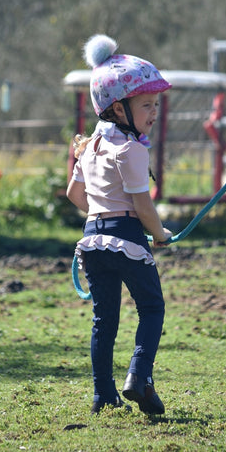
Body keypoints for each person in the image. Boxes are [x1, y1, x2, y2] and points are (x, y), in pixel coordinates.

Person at [66, 34, 172, 415]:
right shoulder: (132, 149)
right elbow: (143, 205)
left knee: (103, 320)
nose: (154, 112)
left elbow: (74, 196)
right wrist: (158, 235)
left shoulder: (90, 147)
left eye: (155, 104)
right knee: (152, 307)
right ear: (118, 109)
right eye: (146, 104)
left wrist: (101, 213)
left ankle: (102, 395)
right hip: (126, 238)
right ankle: (139, 377)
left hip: (92, 242)